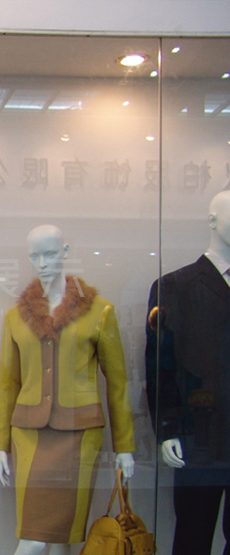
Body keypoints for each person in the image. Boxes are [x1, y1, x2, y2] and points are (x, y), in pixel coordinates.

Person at [0, 225, 135, 555]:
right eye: (35, 256)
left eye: (50, 254)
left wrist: (125, 445)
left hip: (79, 434)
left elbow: (117, 382)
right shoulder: (15, 317)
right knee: (33, 537)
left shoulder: (99, 312)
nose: (42, 264)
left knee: (64, 536)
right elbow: (8, 383)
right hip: (29, 434)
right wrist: (0, 444)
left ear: (66, 253)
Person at [146, 190, 230, 555]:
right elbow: (160, 366)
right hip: (200, 436)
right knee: (193, 536)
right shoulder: (175, 287)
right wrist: (167, 428)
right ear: (212, 220)